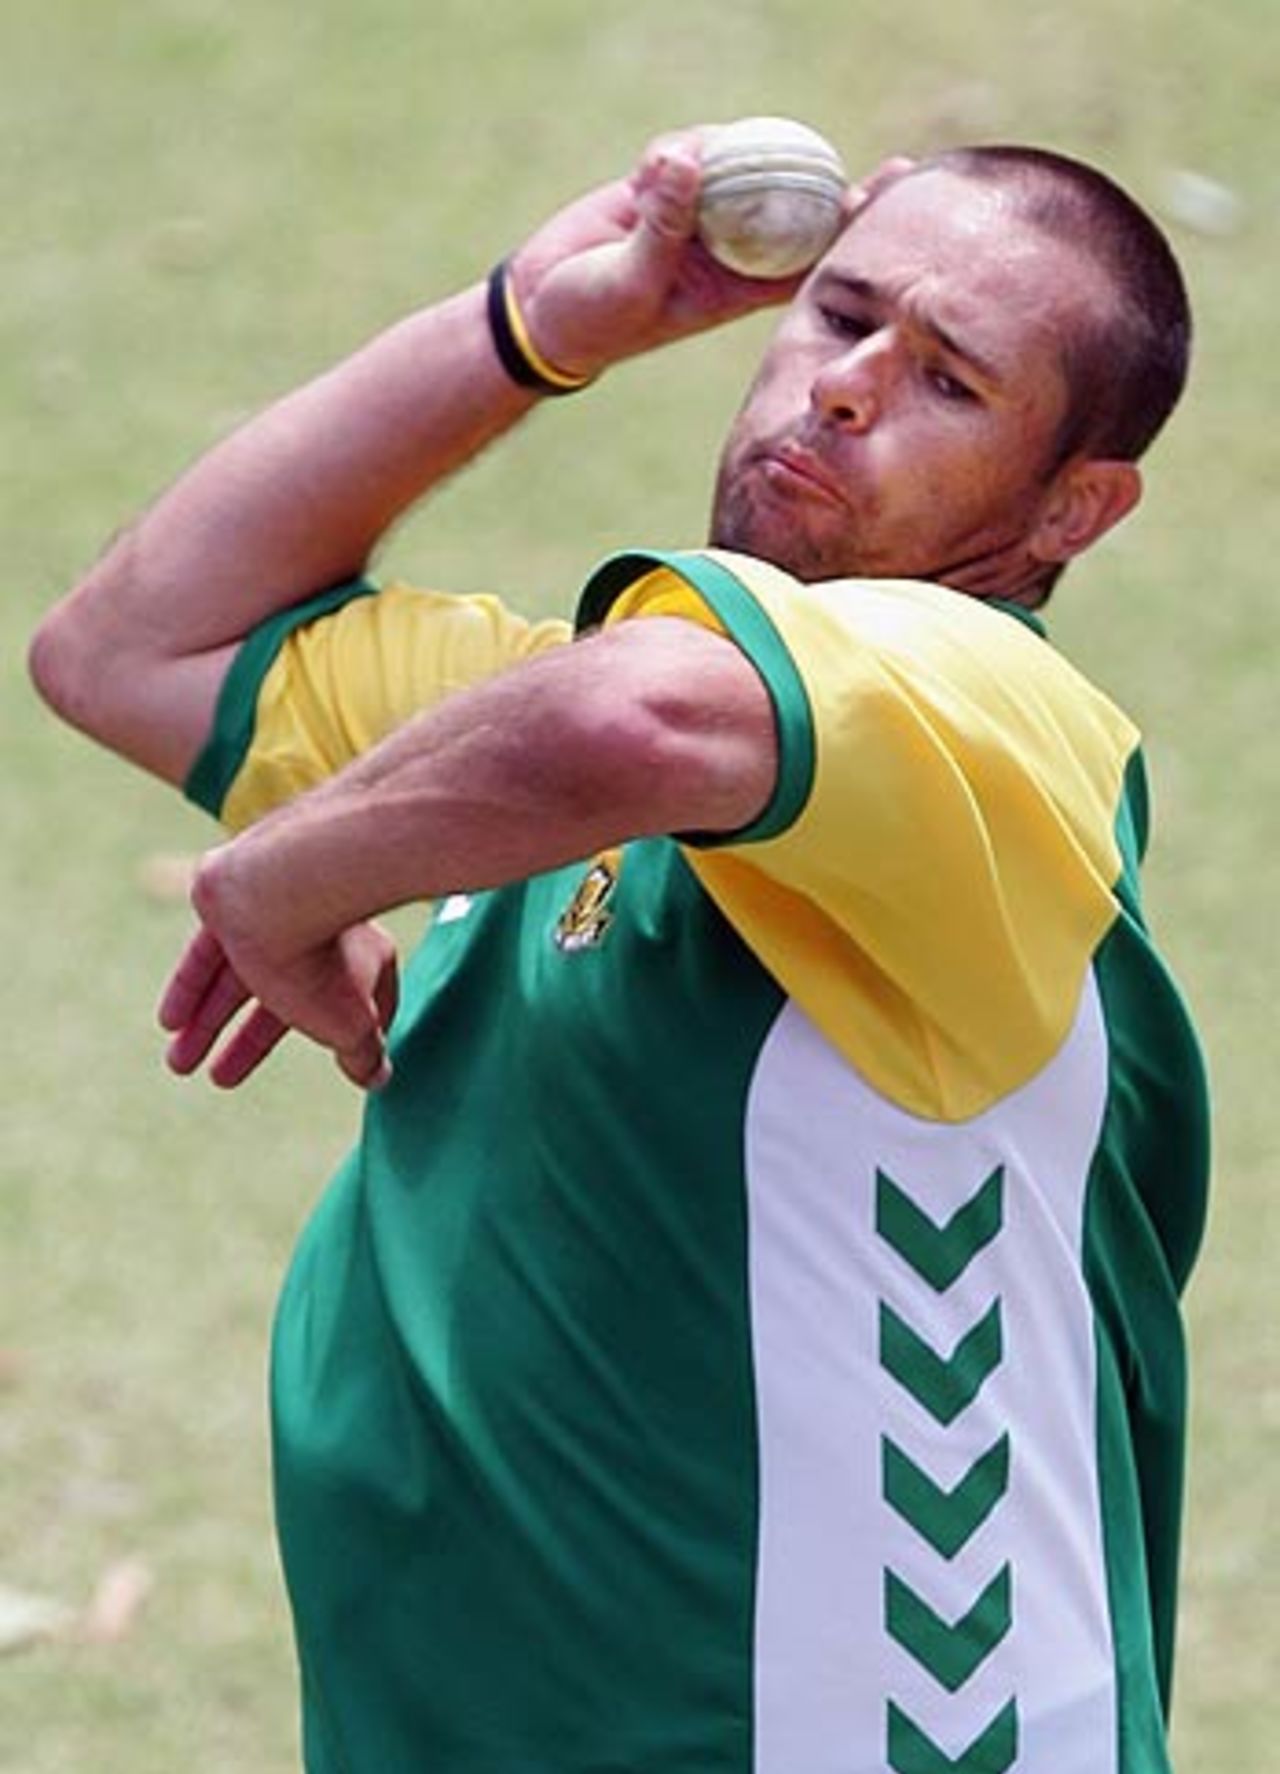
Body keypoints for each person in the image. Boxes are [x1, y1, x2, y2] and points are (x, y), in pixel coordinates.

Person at [31, 125, 1210, 1774]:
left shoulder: (989, 724)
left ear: (1072, 505)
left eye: (949, 381)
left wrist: (274, 878)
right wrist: (541, 321)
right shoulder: (519, 757)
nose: (850, 385)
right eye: (838, 314)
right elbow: (127, 646)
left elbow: (640, 719)